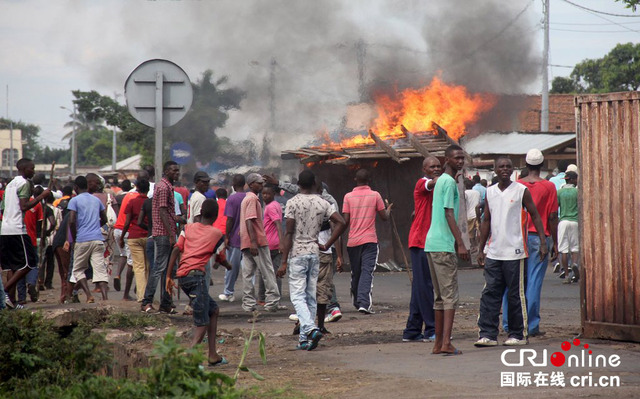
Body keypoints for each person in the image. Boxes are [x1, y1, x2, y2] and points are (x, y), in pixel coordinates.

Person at [475, 157, 548, 347]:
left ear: (513, 170)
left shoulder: (521, 190)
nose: (505, 169)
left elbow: (535, 215)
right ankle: (488, 334)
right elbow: (486, 221)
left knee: (516, 295)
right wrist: (481, 248)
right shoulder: (489, 192)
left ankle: (517, 334)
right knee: (490, 294)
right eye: (501, 167)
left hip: (515, 252)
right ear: (495, 170)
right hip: (494, 252)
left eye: (508, 166)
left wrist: (543, 242)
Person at [277, 170, 346, 350]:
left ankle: (310, 328)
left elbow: (289, 232)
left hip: (298, 253)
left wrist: (283, 261)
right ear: (314, 184)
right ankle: (304, 340)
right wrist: (327, 244)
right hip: (315, 252)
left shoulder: (292, 203)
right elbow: (341, 222)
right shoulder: (322, 202)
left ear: (298, 184)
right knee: (310, 296)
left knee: (298, 296)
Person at [166, 199, 230, 366]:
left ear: (200, 212)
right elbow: (221, 258)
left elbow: (176, 249)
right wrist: (229, 266)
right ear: (216, 216)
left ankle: (212, 355)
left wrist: (168, 276)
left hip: (184, 278)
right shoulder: (217, 234)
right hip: (197, 278)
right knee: (201, 322)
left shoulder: (188, 228)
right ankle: (190, 360)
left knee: (213, 310)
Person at [502, 149, 558, 337]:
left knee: (513, 281)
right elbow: (552, 216)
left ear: (525, 165)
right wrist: (554, 243)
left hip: (518, 236)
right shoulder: (549, 187)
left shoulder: (516, 185)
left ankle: (509, 323)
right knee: (533, 281)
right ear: (542, 165)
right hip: (539, 238)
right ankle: (531, 325)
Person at [425, 144, 469, 356]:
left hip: (432, 244)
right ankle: (446, 343)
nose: (460, 161)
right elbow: (449, 214)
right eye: (456, 158)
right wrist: (460, 242)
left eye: (462, 158)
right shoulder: (449, 182)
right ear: (447, 160)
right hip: (442, 245)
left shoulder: (440, 181)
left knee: (440, 298)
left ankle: (438, 344)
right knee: (450, 296)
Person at [0, 158, 51, 309]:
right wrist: (41, 197)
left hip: (5, 230)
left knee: (13, 267)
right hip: (17, 230)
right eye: (32, 169)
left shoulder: (9, 185)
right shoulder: (25, 183)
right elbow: (24, 206)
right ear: (23, 169)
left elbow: (3, 209)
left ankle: (10, 301)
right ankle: (4, 291)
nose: (33, 171)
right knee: (30, 263)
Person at [343, 168, 392, 314]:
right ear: (369, 180)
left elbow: (345, 220)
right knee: (367, 271)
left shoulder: (348, 197)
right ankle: (364, 303)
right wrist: (389, 209)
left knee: (356, 272)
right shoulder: (375, 195)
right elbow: (384, 217)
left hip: (352, 241)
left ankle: (358, 301)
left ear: (355, 180)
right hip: (369, 241)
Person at [402, 156, 441, 342]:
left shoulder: (436, 187)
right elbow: (431, 184)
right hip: (420, 242)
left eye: (438, 166)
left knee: (420, 286)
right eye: (432, 166)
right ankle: (431, 328)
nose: (436, 169)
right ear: (424, 169)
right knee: (425, 286)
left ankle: (412, 330)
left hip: (429, 241)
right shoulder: (422, 183)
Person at [141, 161, 180, 313]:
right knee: (160, 268)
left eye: (177, 170)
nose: (176, 173)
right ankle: (147, 301)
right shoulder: (164, 187)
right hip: (164, 233)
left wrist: (177, 220)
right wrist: (171, 234)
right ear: (166, 171)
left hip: (167, 231)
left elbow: (168, 212)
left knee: (169, 269)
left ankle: (166, 303)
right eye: (173, 170)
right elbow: (162, 211)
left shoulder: (167, 186)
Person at [239, 173, 280, 312]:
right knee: (267, 271)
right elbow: (250, 220)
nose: (262, 186)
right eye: (259, 183)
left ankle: (248, 304)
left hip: (246, 241)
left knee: (248, 273)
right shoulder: (252, 199)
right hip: (257, 241)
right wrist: (254, 242)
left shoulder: (247, 199)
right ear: (251, 185)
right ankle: (272, 302)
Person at [68, 175, 109, 302]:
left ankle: (89, 295)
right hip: (97, 239)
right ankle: (105, 298)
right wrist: (96, 226)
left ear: (75, 187)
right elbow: (105, 219)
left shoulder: (74, 201)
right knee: (100, 270)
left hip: (82, 239)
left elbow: (71, 221)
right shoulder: (96, 200)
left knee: (78, 269)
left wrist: (74, 237)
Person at [120, 179, 150, 302]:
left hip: (134, 236)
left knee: (138, 267)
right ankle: (147, 296)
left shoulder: (132, 202)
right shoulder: (151, 203)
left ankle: (141, 296)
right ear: (148, 189)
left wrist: (122, 237)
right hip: (148, 236)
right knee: (147, 266)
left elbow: (127, 222)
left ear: (136, 188)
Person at [255, 184, 284, 307]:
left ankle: (262, 298)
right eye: (263, 193)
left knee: (265, 271)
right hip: (275, 243)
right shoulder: (276, 205)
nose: (265, 196)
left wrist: (282, 241)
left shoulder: (270, 207)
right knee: (274, 271)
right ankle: (275, 298)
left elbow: (278, 224)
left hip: (270, 243)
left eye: (268, 194)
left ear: (274, 194)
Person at [219, 174, 246, 302]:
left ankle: (228, 292)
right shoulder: (250, 197)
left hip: (235, 238)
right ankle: (248, 294)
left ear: (234, 186)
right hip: (247, 237)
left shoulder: (231, 199)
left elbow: (229, 219)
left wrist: (227, 236)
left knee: (231, 266)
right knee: (248, 268)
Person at [112, 180, 137, 296]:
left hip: (117, 229)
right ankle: (126, 294)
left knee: (123, 254)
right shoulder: (137, 198)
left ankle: (117, 274)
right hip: (126, 231)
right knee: (131, 263)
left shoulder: (124, 196)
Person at [557, 171, 579, 284]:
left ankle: (566, 275)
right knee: (575, 248)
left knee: (564, 250)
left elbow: (556, 207)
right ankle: (574, 264)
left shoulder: (559, 192)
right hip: (575, 221)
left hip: (563, 221)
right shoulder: (577, 192)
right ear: (572, 180)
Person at [464, 178, 481, 264]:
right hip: (477, 214)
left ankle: (472, 246)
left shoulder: (465, 193)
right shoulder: (477, 193)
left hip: (469, 214)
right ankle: (478, 246)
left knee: (470, 232)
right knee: (478, 230)